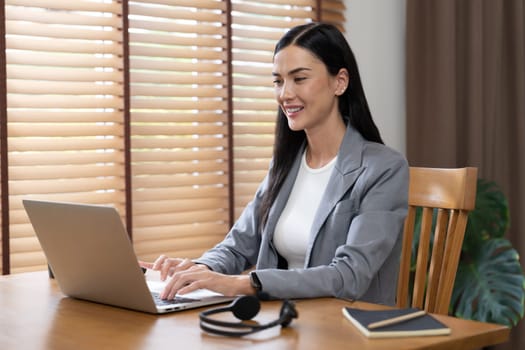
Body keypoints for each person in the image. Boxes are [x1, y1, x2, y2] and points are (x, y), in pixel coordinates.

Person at [139, 22, 409, 306]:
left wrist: (244, 284)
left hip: (344, 331)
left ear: (339, 82)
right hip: (286, 323)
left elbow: (349, 275)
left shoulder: (383, 169)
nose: (285, 94)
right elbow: (237, 246)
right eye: (278, 81)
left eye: (299, 78)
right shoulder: (287, 164)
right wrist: (199, 270)